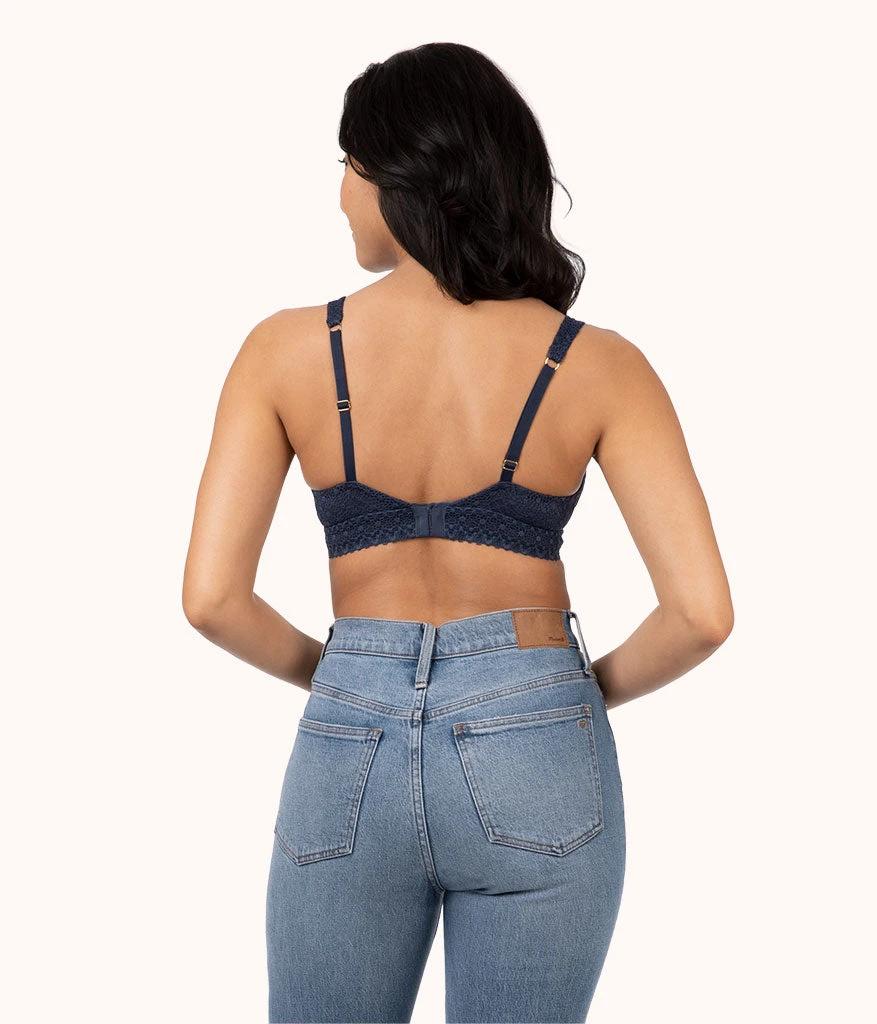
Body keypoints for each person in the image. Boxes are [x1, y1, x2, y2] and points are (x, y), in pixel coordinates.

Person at [182, 41, 733, 1024]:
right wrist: (558, 693)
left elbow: (212, 599)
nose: (339, 194)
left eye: (347, 164)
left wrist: (355, 677)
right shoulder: (599, 365)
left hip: (349, 733)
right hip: (537, 735)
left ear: (399, 172)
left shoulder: (282, 352)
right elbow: (699, 614)